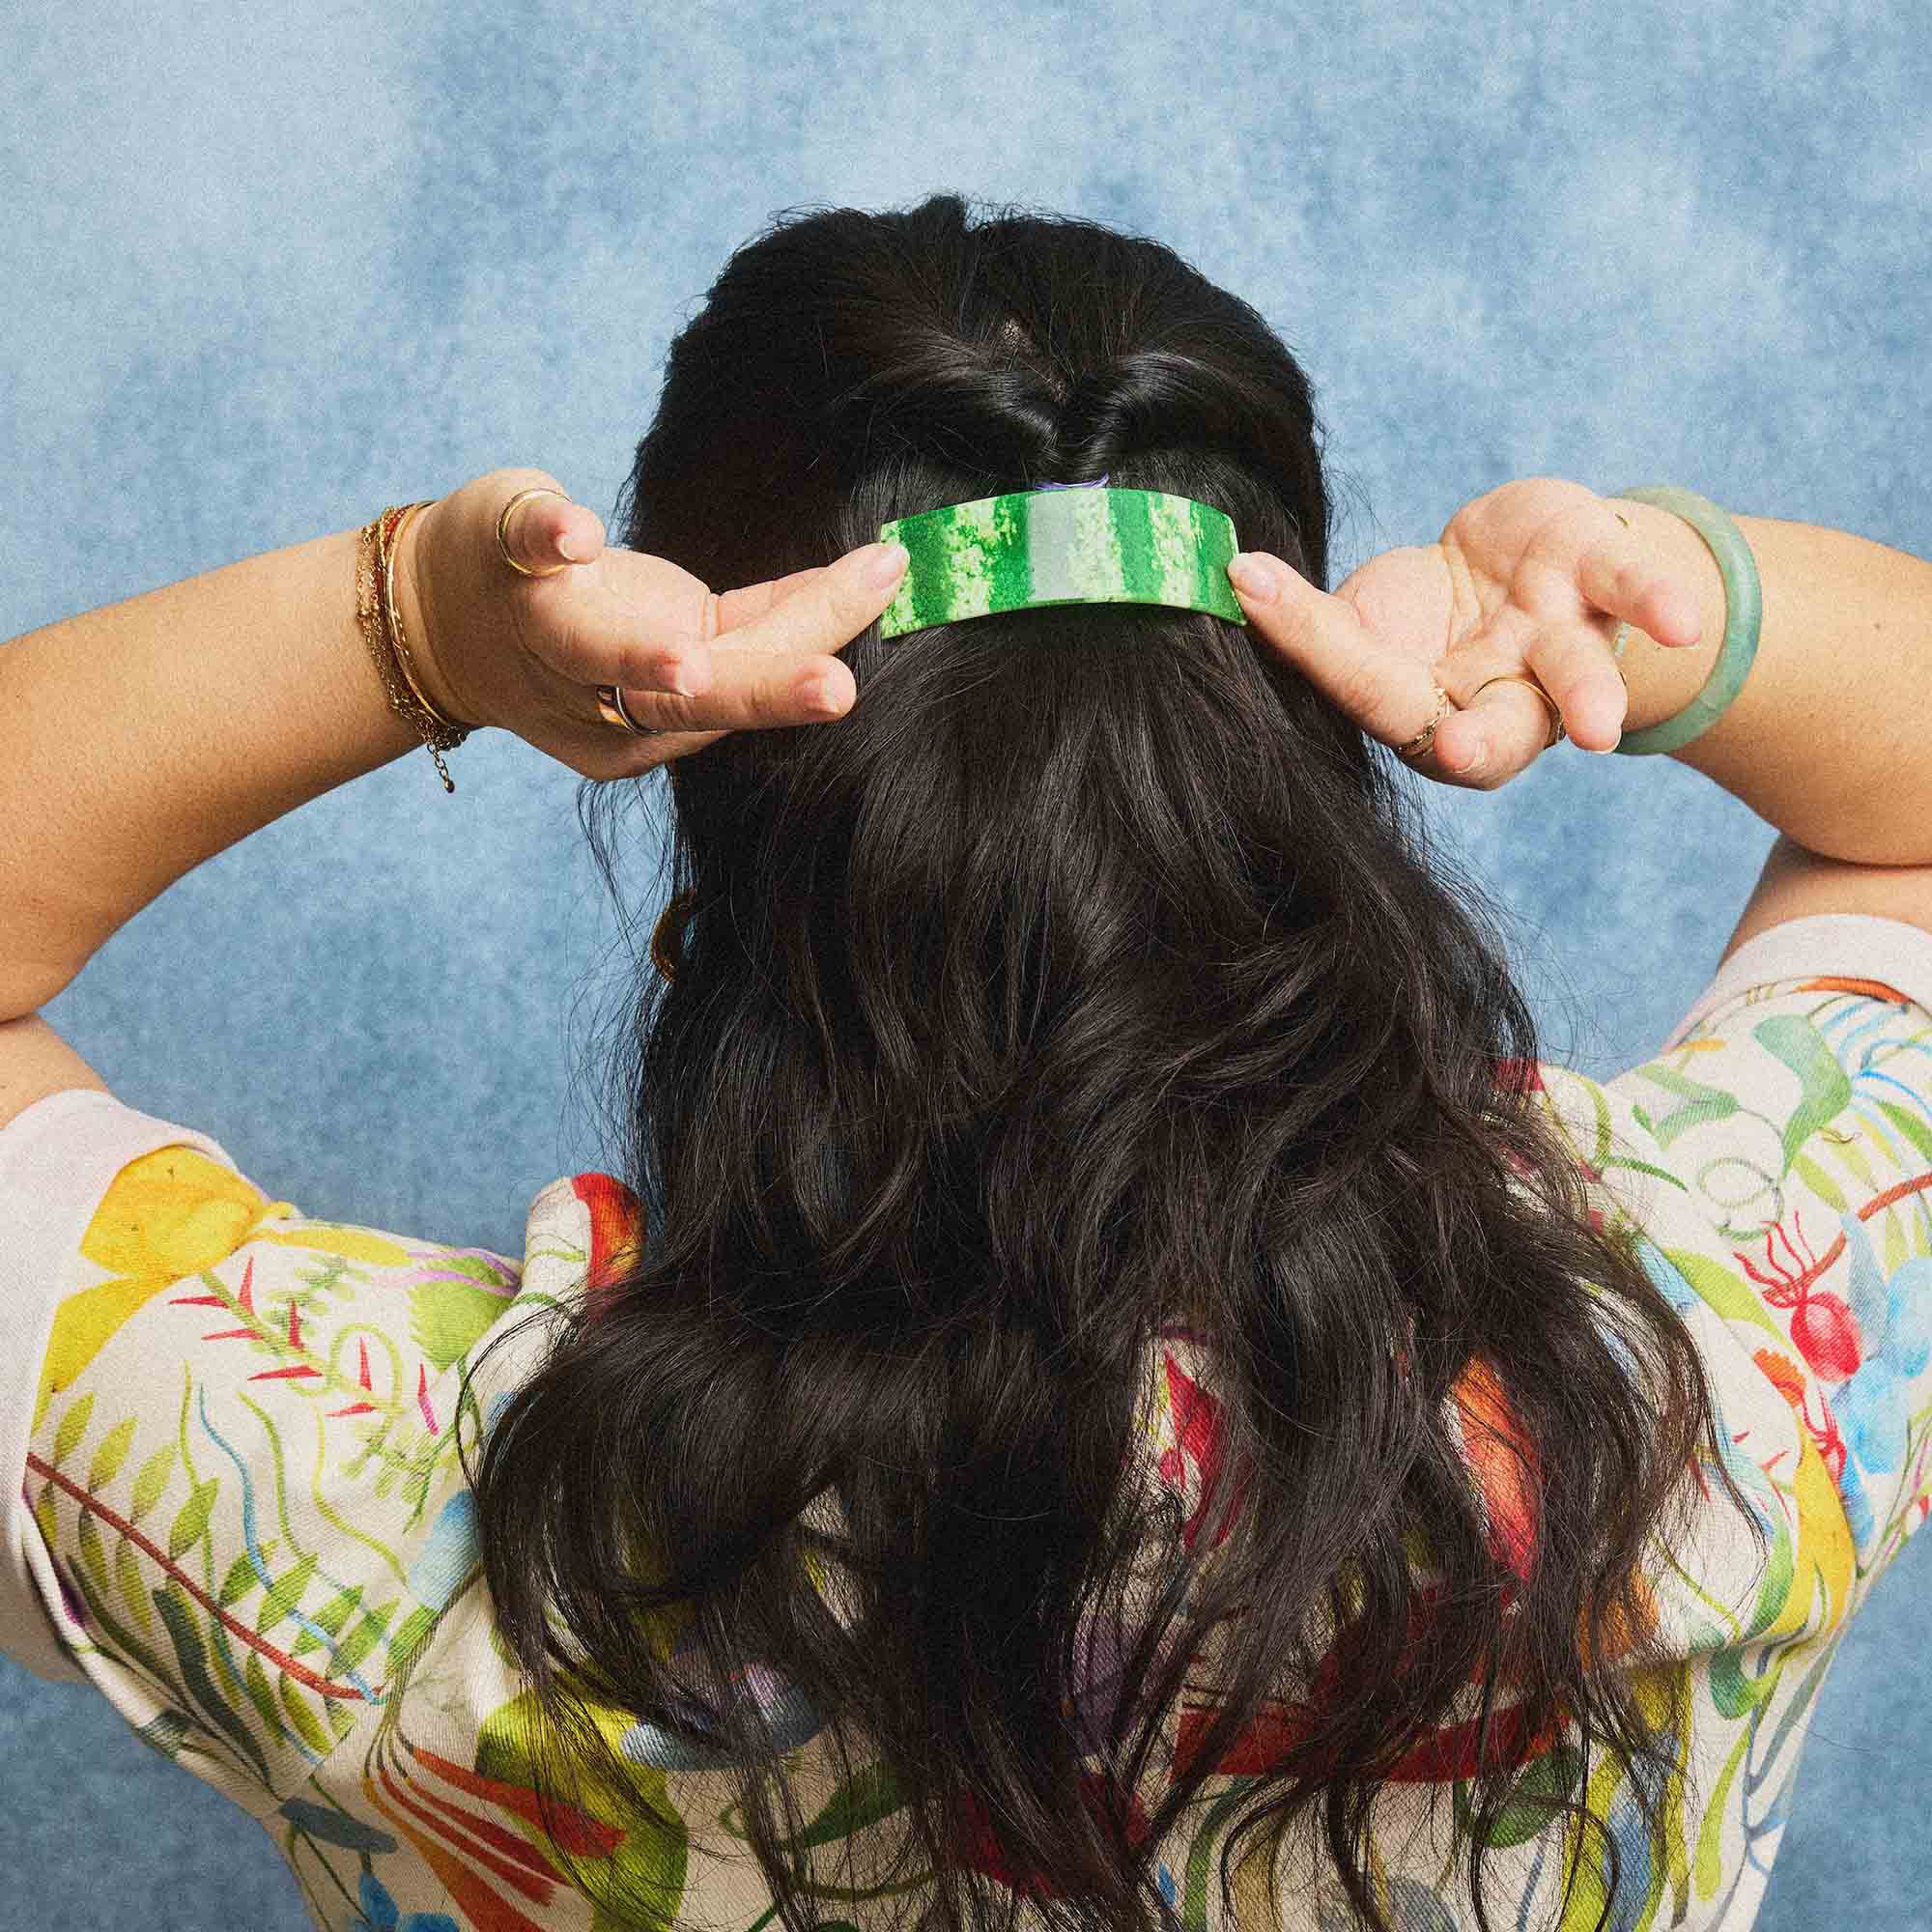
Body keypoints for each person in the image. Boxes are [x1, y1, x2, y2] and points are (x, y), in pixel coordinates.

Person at [1, 192, 1928, 1932]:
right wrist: (1657, 616)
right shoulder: (1720, 1375)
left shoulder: (410, 1532)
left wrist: (417, 626)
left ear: (720, 858)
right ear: (1309, 776)